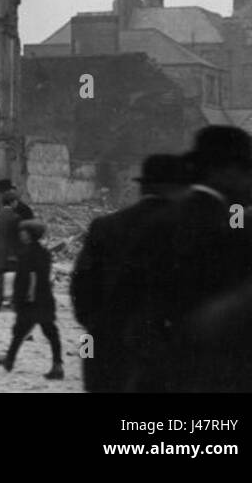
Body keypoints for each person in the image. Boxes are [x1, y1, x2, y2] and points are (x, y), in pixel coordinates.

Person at [131, 126, 252, 391]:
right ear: (221, 172)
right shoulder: (237, 233)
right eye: (246, 171)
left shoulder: (157, 223)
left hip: (160, 377)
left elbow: (129, 305)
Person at [70, 154, 189, 393]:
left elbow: (81, 287)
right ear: (180, 187)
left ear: (143, 186)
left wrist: (98, 326)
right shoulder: (191, 228)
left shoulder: (105, 226)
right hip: (173, 353)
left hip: (110, 348)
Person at [0, 219, 63, 379]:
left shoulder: (26, 254)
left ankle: (9, 360)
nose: (21, 234)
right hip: (44, 299)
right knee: (50, 333)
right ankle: (57, 365)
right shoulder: (45, 253)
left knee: (20, 332)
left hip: (30, 301)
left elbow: (24, 280)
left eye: (23, 232)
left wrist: (17, 300)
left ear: (30, 235)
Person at [0, 191, 22, 310]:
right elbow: (18, 237)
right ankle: (13, 303)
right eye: (16, 201)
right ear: (13, 202)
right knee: (14, 278)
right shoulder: (16, 218)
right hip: (12, 252)